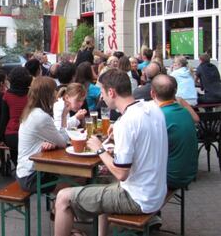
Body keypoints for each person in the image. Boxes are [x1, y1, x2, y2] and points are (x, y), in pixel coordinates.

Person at [54, 69, 168, 236]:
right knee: (103, 180)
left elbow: (122, 173)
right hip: (157, 192)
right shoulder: (153, 109)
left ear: (111, 92)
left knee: (63, 197)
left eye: (102, 92)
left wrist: (99, 149)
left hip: (137, 198)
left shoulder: (126, 122)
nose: (102, 97)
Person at [16, 77, 68, 193]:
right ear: (48, 94)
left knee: (70, 174)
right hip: (31, 177)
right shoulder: (41, 117)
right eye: (55, 90)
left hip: (24, 172)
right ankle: (59, 208)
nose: (57, 94)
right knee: (78, 179)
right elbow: (63, 142)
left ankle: (57, 207)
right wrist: (64, 116)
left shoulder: (31, 111)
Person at [151, 74, 198, 189]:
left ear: (152, 94)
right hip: (189, 173)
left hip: (171, 177)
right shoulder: (185, 112)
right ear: (175, 93)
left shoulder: (158, 116)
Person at [0, 67, 32, 166]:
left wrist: (0, 138)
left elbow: (4, 118)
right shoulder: (32, 94)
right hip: (29, 132)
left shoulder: (7, 95)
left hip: (12, 134)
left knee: (16, 156)